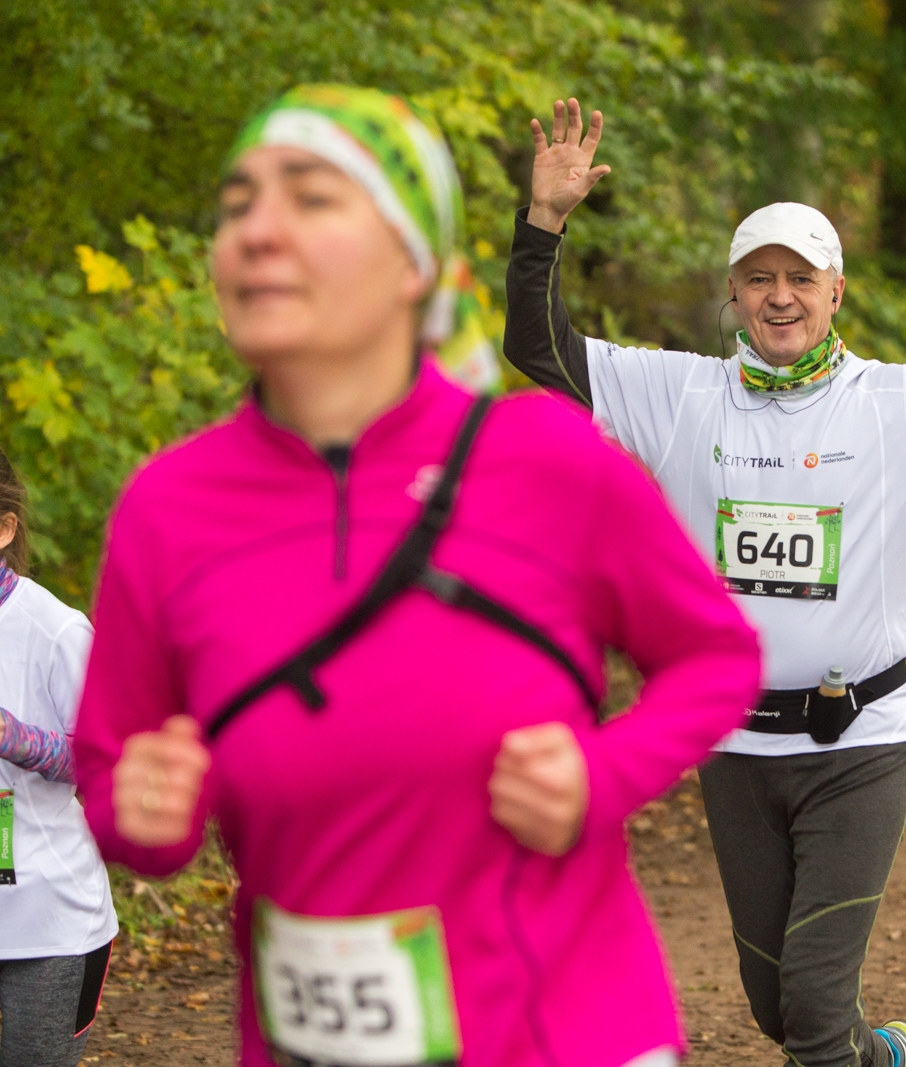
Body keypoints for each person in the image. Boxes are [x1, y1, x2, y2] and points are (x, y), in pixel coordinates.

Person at [72, 85, 763, 1067]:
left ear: (411, 259)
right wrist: (137, 814)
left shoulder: (546, 460)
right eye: (236, 204)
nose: (258, 229)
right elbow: (111, 764)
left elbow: (715, 655)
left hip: (565, 1031)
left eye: (311, 197)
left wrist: (602, 774)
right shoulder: (166, 507)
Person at [502, 98, 906, 1067]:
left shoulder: (904, 401)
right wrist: (545, 226)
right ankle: (885, 1053)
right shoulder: (678, 391)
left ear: (836, 292)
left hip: (860, 738)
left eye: (800, 278)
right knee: (780, 1006)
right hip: (733, 742)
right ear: (733, 295)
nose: (779, 295)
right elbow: (541, 351)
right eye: (758, 279)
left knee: (813, 1014)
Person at [0, 450, 117, 1067]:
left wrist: (15, 737)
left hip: (44, 923)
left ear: (5, 527)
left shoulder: (55, 630)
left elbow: (107, 759)